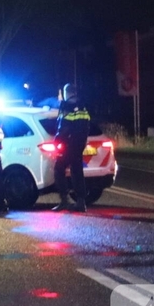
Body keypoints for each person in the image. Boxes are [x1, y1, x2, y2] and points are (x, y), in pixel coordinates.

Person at [52, 83, 91, 213]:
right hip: (79, 144)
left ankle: (64, 200)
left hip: (67, 144)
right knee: (77, 171)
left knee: (58, 169)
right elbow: (86, 126)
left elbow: (63, 128)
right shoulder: (83, 106)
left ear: (66, 93)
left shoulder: (67, 107)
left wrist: (56, 141)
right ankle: (81, 202)